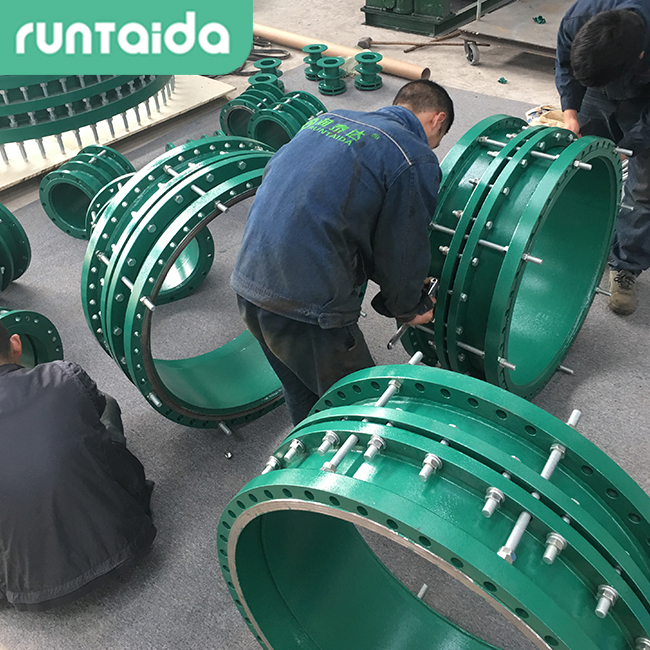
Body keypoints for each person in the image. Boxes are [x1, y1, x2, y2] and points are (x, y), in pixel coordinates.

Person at [232, 79, 454, 425]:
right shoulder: (413, 155)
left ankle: (309, 452)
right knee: (359, 411)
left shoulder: (325, 121)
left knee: (304, 394)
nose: (433, 146)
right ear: (437, 119)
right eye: (438, 139)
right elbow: (402, 247)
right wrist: (409, 306)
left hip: (249, 281)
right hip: (307, 305)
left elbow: (319, 203)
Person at [0, 323, 156, 610]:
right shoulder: (63, 374)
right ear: (16, 344)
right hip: (127, 536)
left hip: (27, 587)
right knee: (105, 405)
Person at [556, 0, 650, 315]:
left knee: (643, 189)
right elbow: (565, 63)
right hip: (597, 87)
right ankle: (583, 245)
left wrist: (627, 149)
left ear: (640, 56)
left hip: (644, 95)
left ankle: (625, 266)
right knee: (585, 166)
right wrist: (570, 112)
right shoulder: (580, 18)